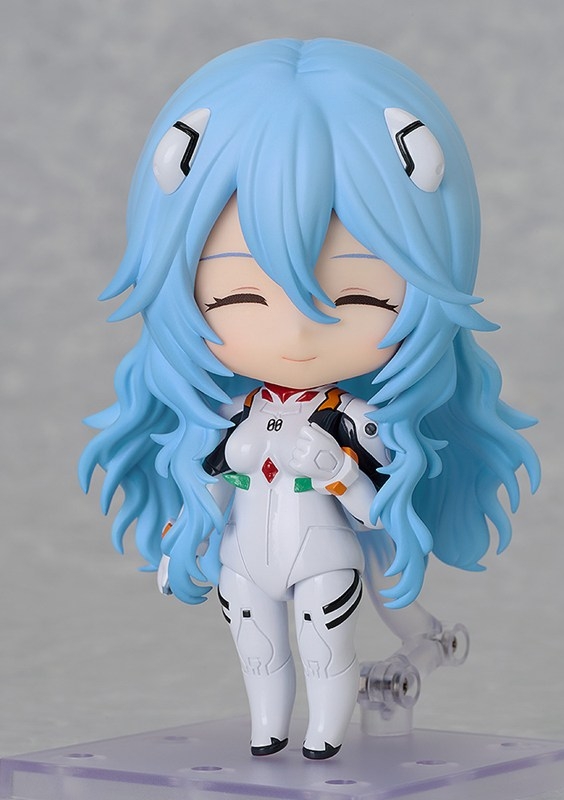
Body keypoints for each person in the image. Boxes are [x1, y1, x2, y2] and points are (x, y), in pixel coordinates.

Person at [80, 38, 539, 759]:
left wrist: (341, 474)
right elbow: (209, 486)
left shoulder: (352, 420)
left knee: (325, 649)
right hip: (244, 554)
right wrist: (181, 540)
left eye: (357, 297)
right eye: (239, 296)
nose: (296, 331)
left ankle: (324, 736)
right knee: (258, 650)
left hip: (323, 551)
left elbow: (377, 513)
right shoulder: (234, 416)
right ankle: (268, 731)